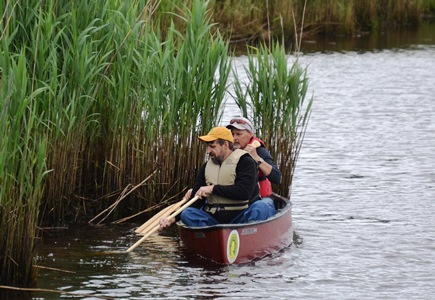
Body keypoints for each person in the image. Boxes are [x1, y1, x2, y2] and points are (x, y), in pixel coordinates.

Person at [159, 126, 271, 228]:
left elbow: (244, 192)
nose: (208, 151)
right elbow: (196, 201)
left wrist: (212, 189)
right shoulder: (206, 167)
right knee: (187, 214)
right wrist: (172, 218)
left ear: (225, 145)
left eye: (212, 146)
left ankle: (247, 233)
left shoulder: (245, 162)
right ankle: (212, 235)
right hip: (214, 220)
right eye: (208, 146)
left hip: (241, 216)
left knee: (261, 207)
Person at [226, 116, 282, 218]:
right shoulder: (227, 151)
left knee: (260, 207)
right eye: (232, 134)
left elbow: (277, 177)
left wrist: (257, 158)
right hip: (235, 201)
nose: (234, 138)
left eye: (239, 134)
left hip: (260, 199)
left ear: (250, 134)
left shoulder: (259, 151)